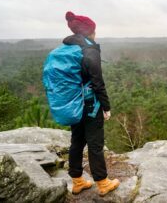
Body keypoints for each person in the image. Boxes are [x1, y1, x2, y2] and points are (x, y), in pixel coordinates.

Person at [63, 11, 120, 196]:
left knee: (76, 142)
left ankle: (77, 181)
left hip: (73, 104)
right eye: (94, 30)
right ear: (90, 32)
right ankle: (103, 183)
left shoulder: (68, 48)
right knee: (95, 144)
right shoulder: (89, 50)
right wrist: (106, 106)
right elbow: (97, 82)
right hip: (90, 106)